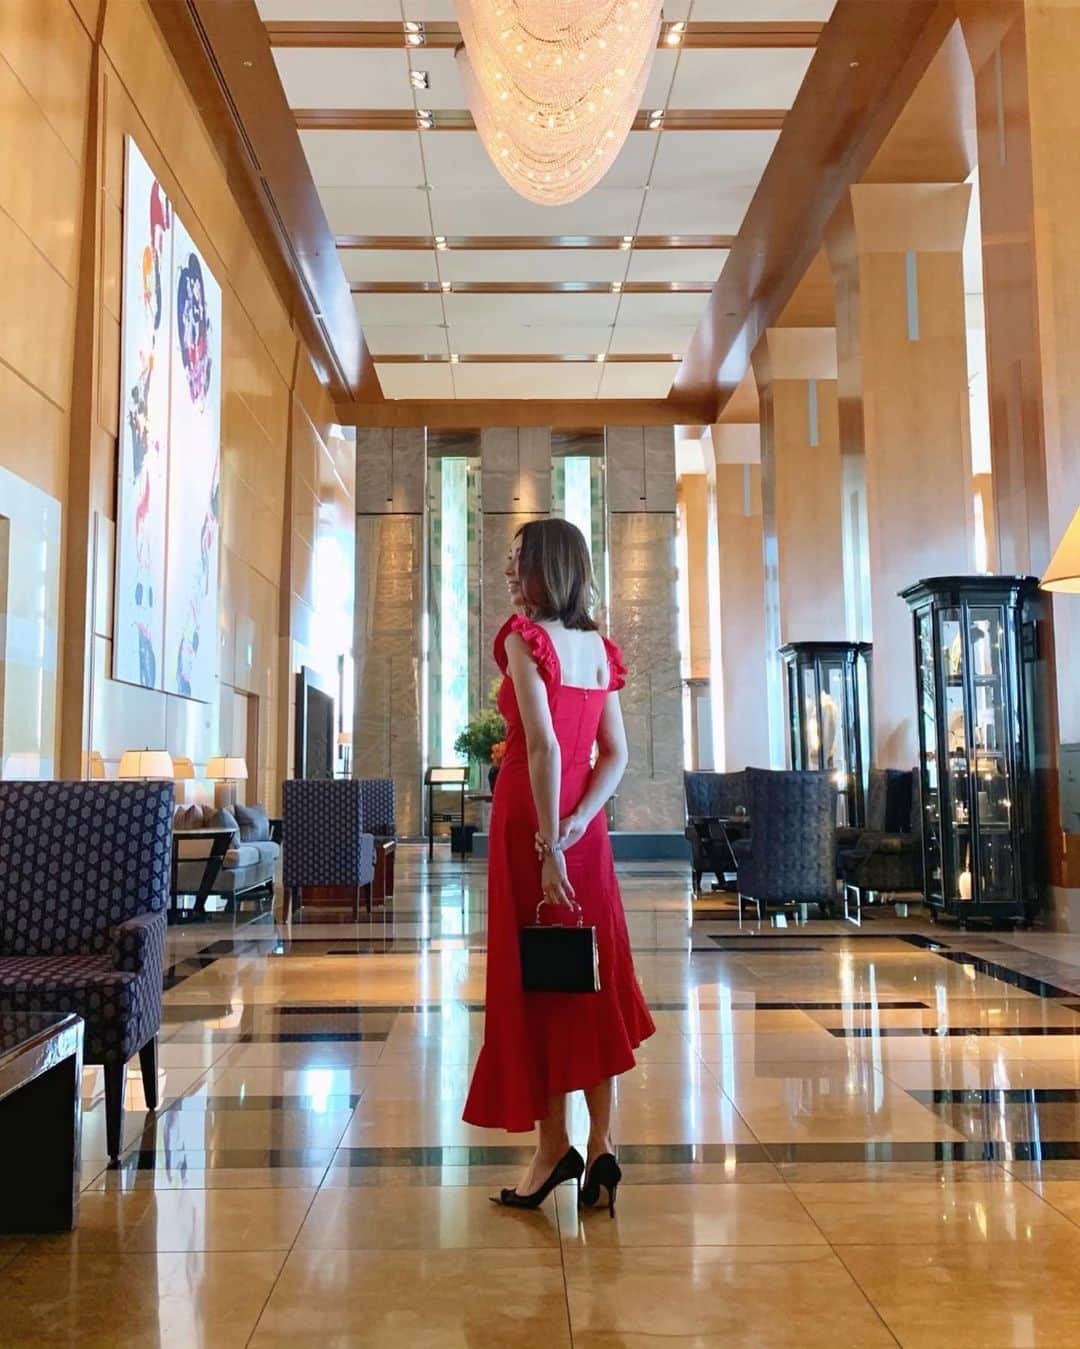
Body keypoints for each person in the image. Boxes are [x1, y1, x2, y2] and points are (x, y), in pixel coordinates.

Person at [462, 518, 655, 1216]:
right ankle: (600, 1145)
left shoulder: (525, 637)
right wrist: (577, 825)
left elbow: (541, 745)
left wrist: (548, 844)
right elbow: (615, 754)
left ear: (549, 568)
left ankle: (551, 1151)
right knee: (591, 982)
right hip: (586, 827)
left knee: (542, 983)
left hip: (529, 826)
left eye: (519, 561)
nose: (510, 572)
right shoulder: (600, 649)